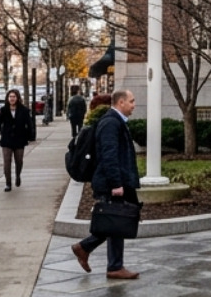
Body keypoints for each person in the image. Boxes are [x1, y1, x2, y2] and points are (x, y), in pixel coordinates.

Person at [70, 89, 141, 281]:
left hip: (113, 181)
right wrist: (116, 184)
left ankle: (89, 251)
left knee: (115, 222)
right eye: (132, 101)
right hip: (111, 183)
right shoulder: (111, 123)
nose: (134, 105)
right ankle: (110, 264)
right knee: (115, 222)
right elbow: (109, 156)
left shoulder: (115, 121)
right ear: (120, 103)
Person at [0, 88, 36, 191]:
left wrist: (31, 135)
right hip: (7, 139)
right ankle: (8, 183)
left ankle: (18, 175)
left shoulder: (24, 110)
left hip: (19, 139)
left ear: (17, 98)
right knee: (7, 162)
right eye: (10, 97)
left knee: (19, 161)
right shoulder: (4, 110)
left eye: (14, 97)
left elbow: (29, 124)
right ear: (7, 98)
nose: (12, 99)